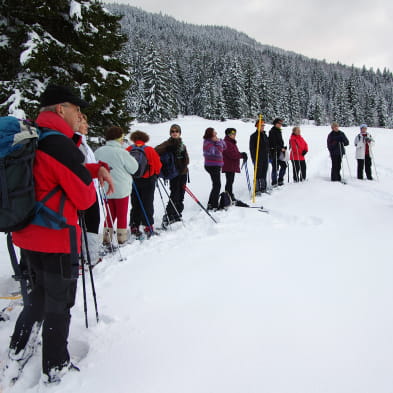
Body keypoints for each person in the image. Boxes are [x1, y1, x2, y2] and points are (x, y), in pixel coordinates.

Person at [4, 84, 113, 384]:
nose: (80, 114)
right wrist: (87, 177)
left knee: (38, 294)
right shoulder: (61, 145)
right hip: (56, 237)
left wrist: (94, 168)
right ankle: (55, 365)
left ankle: (17, 346)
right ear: (60, 109)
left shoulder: (35, 135)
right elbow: (84, 199)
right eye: (76, 109)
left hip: (27, 234)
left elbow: (49, 175)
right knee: (60, 302)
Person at [95, 126, 138, 245]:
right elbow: (134, 168)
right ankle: (121, 238)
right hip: (121, 189)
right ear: (119, 138)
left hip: (106, 188)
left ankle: (107, 237)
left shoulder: (99, 151)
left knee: (110, 214)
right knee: (121, 214)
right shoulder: (122, 152)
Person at [127, 130, 162, 238]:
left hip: (133, 180)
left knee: (135, 203)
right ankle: (148, 226)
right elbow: (158, 165)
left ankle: (134, 225)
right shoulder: (149, 150)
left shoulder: (128, 149)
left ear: (133, 139)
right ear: (145, 139)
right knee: (147, 203)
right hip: (148, 180)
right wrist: (155, 174)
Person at [77, 114, 101, 265]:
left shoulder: (83, 143)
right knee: (91, 222)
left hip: (90, 188)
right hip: (84, 190)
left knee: (91, 221)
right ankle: (90, 256)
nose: (87, 126)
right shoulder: (76, 144)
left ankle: (88, 254)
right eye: (84, 123)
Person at [155, 124, 189, 226]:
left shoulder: (182, 145)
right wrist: (168, 149)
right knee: (174, 194)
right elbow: (154, 151)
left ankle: (177, 214)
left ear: (179, 133)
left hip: (183, 173)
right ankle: (169, 215)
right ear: (170, 133)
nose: (174, 133)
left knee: (181, 195)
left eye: (176, 131)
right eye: (172, 131)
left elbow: (187, 160)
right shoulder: (167, 143)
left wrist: (183, 162)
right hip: (174, 174)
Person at [203, 127, 226, 210]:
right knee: (217, 185)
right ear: (210, 134)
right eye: (214, 132)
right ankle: (214, 205)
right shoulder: (207, 142)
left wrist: (219, 141)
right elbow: (216, 151)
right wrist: (218, 142)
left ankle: (211, 203)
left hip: (216, 165)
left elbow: (224, 146)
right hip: (211, 166)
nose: (216, 133)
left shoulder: (214, 141)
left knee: (216, 185)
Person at [222, 127, 247, 201]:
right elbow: (232, 155)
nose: (234, 135)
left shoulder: (231, 142)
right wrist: (241, 155)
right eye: (233, 134)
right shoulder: (227, 142)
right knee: (229, 181)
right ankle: (228, 196)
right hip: (229, 165)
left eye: (235, 133)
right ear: (229, 134)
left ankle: (229, 195)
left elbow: (234, 153)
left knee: (230, 181)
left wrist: (241, 154)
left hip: (231, 165)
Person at [249, 118, 269, 194]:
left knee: (264, 172)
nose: (262, 127)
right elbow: (252, 148)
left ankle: (263, 187)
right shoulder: (253, 136)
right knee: (258, 173)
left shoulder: (264, 135)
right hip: (258, 157)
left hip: (265, 157)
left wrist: (269, 155)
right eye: (261, 126)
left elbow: (267, 146)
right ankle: (257, 189)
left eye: (263, 126)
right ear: (257, 126)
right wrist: (254, 159)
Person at [268, 118, 287, 186]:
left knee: (284, 165)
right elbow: (272, 143)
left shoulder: (278, 131)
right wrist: (280, 148)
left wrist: (283, 147)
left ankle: (280, 180)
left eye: (281, 123)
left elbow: (279, 142)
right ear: (275, 123)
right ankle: (274, 182)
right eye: (279, 123)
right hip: (274, 152)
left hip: (280, 152)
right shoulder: (272, 131)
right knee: (275, 167)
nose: (280, 125)